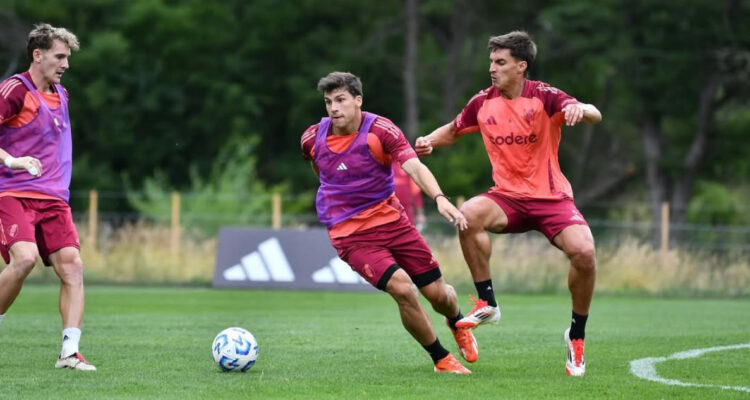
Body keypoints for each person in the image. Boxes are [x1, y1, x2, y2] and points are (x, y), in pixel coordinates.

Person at [415, 31, 602, 377]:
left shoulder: (544, 96)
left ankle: (576, 335)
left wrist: (580, 108)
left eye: (500, 62)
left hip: (551, 198)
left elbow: (594, 113)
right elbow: (455, 129)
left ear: (521, 66)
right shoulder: (483, 102)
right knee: (467, 215)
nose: (492, 69)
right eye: (491, 62)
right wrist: (429, 141)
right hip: (508, 198)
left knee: (585, 253)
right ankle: (488, 302)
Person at [301, 71, 477, 374]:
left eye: (340, 100)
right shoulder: (311, 138)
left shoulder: (381, 130)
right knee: (404, 289)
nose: (333, 108)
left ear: (358, 100)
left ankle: (457, 320)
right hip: (351, 235)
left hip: (394, 224)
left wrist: (440, 198)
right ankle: (441, 359)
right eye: (328, 101)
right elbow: (323, 171)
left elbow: (415, 168)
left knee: (438, 295)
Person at [0, 23, 96, 371]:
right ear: (37, 55)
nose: (66, 64)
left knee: (72, 266)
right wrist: (12, 159)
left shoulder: (62, 94)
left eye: (67, 57)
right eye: (60, 56)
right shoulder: (14, 90)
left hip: (54, 199)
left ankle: (69, 353)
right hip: (12, 193)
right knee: (24, 260)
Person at [392, 162, 425, 230]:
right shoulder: (382, 164)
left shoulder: (407, 165)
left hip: (407, 211)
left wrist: (420, 214)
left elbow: (416, 193)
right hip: (388, 210)